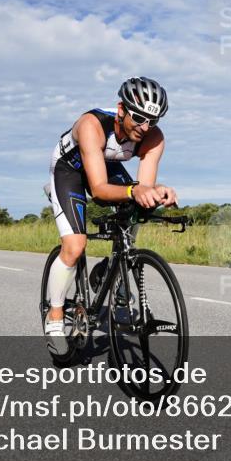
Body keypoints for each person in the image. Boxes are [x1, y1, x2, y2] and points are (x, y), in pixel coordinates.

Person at [44, 77, 177, 355]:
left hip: (107, 165)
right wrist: (134, 190)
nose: (145, 127)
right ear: (121, 109)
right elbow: (99, 190)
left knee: (139, 207)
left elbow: (143, 189)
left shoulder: (154, 138)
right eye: (138, 118)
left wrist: (156, 192)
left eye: (152, 121)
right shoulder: (92, 125)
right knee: (75, 246)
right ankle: (54, 316)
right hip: (70, 170)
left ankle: (110, 271)